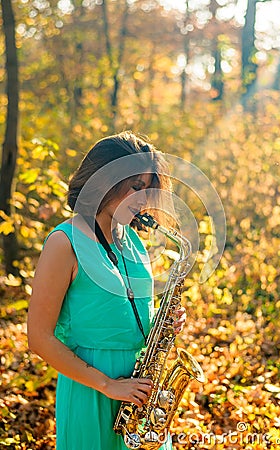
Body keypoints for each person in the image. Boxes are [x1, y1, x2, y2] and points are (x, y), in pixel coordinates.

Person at [27, 131, 186, 450]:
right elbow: (38, 337)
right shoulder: (64, 242)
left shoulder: (135, 244)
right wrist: (108, 385)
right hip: (92, 392)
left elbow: (123, 315)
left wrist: (164, 323)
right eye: (136, 187)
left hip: (140, 396)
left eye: (148, 190)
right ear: (104, 180)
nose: (143, 201)